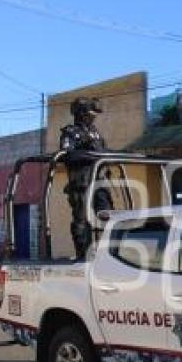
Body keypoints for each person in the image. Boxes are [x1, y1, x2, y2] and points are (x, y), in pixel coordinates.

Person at [59, 97, 113, 260]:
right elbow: (67, 155)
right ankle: (84, 255)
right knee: (82, 221)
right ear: (81, 114)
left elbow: (104, 150)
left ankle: (110, 254)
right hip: (81, 184)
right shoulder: (70, 133)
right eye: (90, 114)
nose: (93, 117)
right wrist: (88, 153)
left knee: (109, 217)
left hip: (99, 182)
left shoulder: (95, 133)